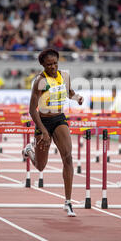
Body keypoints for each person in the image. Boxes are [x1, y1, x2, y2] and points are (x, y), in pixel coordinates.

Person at [22, 48, 84, 217]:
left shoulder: (64, 76)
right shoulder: (40, 81)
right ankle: (29, 150)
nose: (53, 67)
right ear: (42, 65)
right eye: (49, 64)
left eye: (55, 63)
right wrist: (43, 131)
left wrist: (77, 97)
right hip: (43, 121)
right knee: (41, 166)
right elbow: (32, 110)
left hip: (59, 119)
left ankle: (68, 202)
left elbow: (69, 91)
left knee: (68, 157)